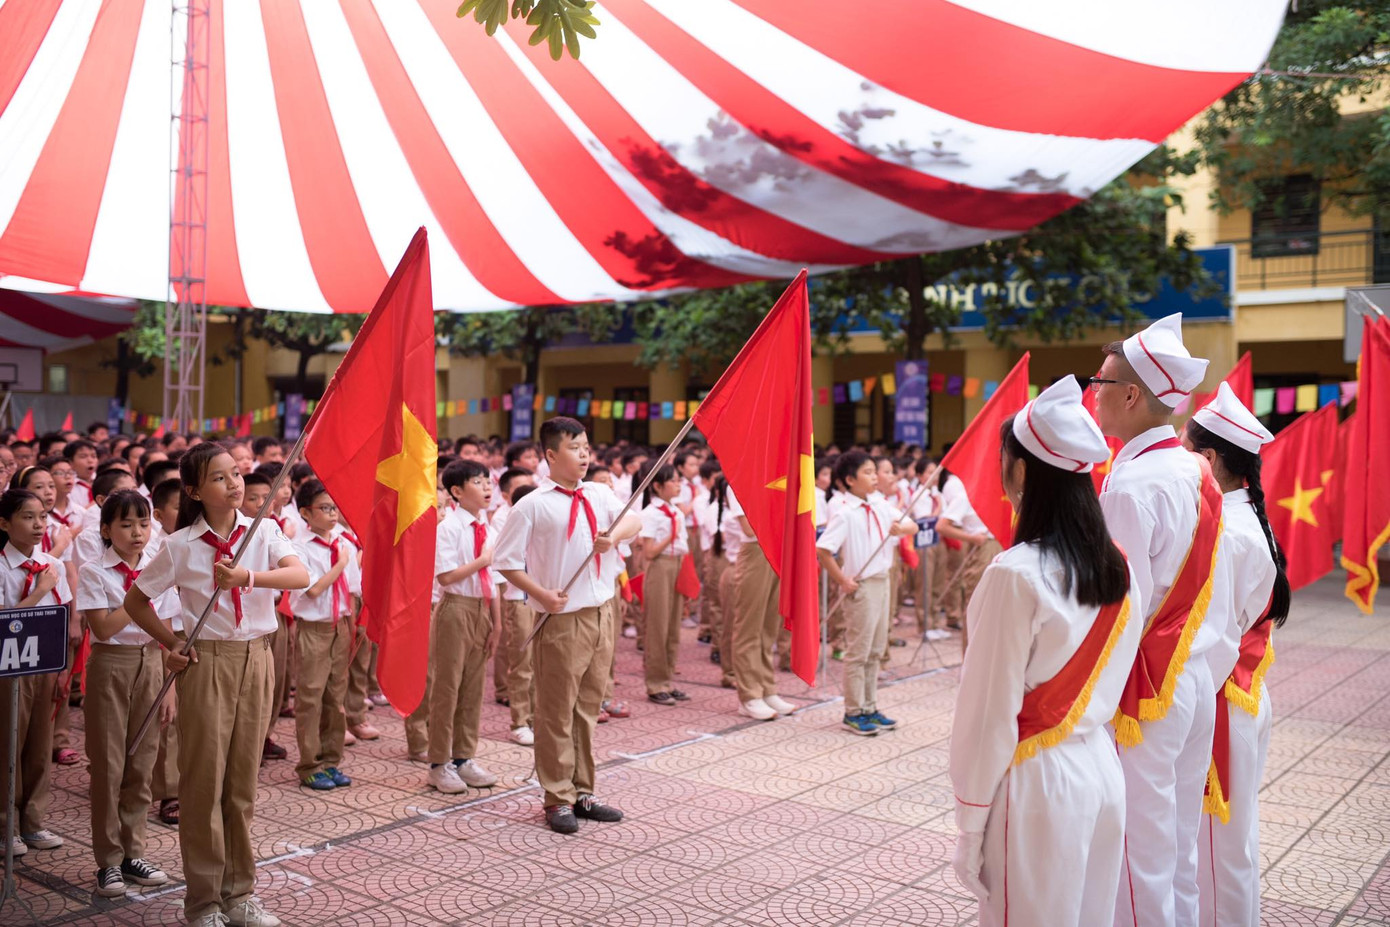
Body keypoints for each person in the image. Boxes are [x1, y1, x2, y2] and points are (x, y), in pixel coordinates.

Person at [950, 377, 1142, 927]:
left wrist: (970, 821)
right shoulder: (1118, 564)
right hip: (1100, 769)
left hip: (1036, 783)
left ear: (1024, 471)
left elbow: (987, 714)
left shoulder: (1015, 574)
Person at [123, 442, 309, 927]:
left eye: (236, 474)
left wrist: (247, 576)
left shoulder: (263, 530)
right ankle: (203, 902)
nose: (235, 484)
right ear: (194, 490)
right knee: (204, 784)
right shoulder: (181, 545)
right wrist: (171, 644)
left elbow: (300, 575)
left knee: (242, 784)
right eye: (220, 478)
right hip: (207, 661)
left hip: (257, 658)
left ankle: (240, 894)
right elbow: (136, 601)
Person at [1091, 314, 1223, 927]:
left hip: (1147, 685)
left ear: (1131, 395)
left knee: (1136, 854)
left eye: (1100, 381)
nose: (1093, 394)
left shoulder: (1132, 484)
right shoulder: (1195, 468)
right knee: (1174, 847)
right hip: (1194, 676)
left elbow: (1121, 609)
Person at [494, 416, 641, 834]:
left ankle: (583, 790)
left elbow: (634, 521)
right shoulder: (533, 505)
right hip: (561, 618)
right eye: (575, 448)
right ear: (551, 455)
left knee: (588, 707)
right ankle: (556, 795)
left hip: (601, 611)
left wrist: (613, 537)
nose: (584, 455)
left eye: (586, 447)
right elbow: (506, 561)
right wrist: (540, 594)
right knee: (556, 709)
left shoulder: (597, 492)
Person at [1186, 384, 1287, 927]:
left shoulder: (1227, 529)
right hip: (1244, 691)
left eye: (1184, 447)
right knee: (1230, 843)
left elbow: (1213, 639)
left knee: (1218, 851)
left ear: (1207, 459)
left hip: (1223, 697)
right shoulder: (1248, 518)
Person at [77, 490, 175, 896]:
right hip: (111, 666)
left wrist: (169, 684)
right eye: (125, 524)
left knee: (142, 762)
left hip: (151, 662)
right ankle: (108, 861)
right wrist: (140, 596)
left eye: (143, 523)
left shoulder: (156, 567)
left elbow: (167, 625)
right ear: (106, 530)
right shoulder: (94, 570)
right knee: (109, 765)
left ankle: (134, 851)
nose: (137, 532)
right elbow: (101, 628)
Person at [817, 451, 915, 735]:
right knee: (858, 652)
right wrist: (842, 580)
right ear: (849, 480)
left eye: (875, 472)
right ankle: (853, 711)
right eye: (868, 473)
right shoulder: (845, 512)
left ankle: (871, 706)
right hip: (862, 586)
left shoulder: (880, 504)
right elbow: (823, 550)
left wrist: (901, 528)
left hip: (882, 581)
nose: (875, 477)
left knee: (875, 650)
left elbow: (912, 524)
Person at [0, 488, 72, 859]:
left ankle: (32, 820)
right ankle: (4, 824)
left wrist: (62, 668)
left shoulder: (50, 564)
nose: (38, 524)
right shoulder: (2, 566)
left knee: (39, 745)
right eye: (28, 517)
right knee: (7, 744)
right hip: (7, 669)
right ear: (4, 523)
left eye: (42, 517)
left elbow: (61, 618)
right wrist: (39, 590)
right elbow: (5, 622)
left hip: (43, 665)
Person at [426, 459, 502, 794]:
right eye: (478, 482)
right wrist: (481, 561)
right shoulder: (449, 528)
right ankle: (439, 763)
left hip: (482, 609)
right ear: (456, 492)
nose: (487, 487)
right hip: (455, 609)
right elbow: (446, 577)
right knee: (448, 687)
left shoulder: (489, 528)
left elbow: (495, 579)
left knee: (474, 687)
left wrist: (497, 622)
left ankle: (464, 757)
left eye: (488, 481)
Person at [287, 480, 355, 792]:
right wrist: (339, 564)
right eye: (325, 509)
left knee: (335, 698)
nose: (332, 514)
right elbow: (313, 589)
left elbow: (352, 589)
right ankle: (310, 764)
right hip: (313, 628)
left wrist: (353, 626)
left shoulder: (344, 542)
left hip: (340, 626)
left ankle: (331, 760)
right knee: (310, 698)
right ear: (306, 513)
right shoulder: (300, 547)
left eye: (334, 508)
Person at [728, 486, 797, 722]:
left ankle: (768, 688)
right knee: (749, 628)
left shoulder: (772, 479)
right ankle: (749, 695)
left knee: (768, 629)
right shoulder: (739, 481)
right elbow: (749, 527)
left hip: (776, 547)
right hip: (755, 551)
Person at [638, 462, 690, 706]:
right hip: (660, 566)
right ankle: (656, 682)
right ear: (657, 486)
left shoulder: (676, 511)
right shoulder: (651, 513)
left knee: (673, 625)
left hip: (678, 564)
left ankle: (668, 679)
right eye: (674, 481)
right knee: (657, 625)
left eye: (679, 480)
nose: (678, 484)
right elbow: (648, 552)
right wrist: (671, 534)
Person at [500, 483, 540, 746]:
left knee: (541, 664)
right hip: (520, 600)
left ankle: (538, 717)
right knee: (522, 663)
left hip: (542, 602)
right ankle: (520, 721)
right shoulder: (512, 525)